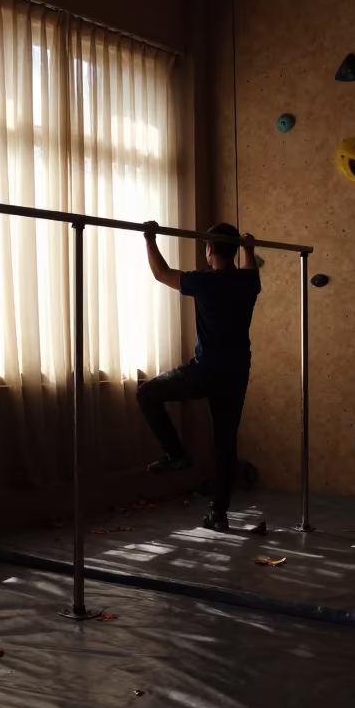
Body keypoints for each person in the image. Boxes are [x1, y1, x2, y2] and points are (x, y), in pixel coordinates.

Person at [137, 221, 260, 532]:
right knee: (225, 441)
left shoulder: (205, 282)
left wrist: (149, 238)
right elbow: (247, 267)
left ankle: (176, 454)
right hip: (236, 372)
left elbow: (160, 273)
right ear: (233, 250)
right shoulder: (249, 282)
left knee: (146, 393)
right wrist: (249, 249)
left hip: (206, 370)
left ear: (208, 250)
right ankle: (218, 515)